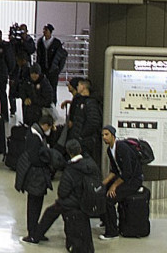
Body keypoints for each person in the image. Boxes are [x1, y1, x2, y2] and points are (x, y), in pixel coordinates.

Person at [29, 138, 101, 249]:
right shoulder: (91, 164)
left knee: (51, 212)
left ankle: (35, 236)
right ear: (80, 149)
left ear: (68, 152)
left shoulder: (70, 169)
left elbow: (63, 192)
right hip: (89, 199)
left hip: (73, 202)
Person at [15, 111, 60, 245]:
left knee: (36, 204)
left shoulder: (36, 133)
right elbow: (35, 158)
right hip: (35, 176)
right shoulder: (35, 137)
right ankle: (32, 232)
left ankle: (36, 231)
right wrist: (47, 161)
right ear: (45, 125)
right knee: (33, 205)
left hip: (36, 175)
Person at [100, 125, 144, 240]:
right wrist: (103, 184)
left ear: (113, 135)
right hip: (124, 178)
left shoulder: (122, 148)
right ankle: (106, 221)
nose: (104, 137)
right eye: (103, 135)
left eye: (106, 135)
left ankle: (112, 232)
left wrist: (114, 186)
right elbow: (114, 170)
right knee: (102, 192)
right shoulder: (110, 150)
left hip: (133, 180)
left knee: (109, 200)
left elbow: (127, 173)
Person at [67, 78, 103, 166]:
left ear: (83, 87)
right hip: (80, 139)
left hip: (86, 141)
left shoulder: (91, 103)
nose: (77, 87)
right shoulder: (80, 101)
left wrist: (82, 135)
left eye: (78, 85)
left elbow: (94, 122)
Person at [36, 24, 68, 101]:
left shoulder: (56, 43)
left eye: (46, 30)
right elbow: (38, 56)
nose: (44, 32)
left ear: (50, 32)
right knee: (42, 87)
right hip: (43, 69)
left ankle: (53, 103)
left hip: (53, 70)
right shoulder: (40, 42)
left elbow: (61, 57)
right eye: (44, 30)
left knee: (53, 88)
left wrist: (58, 69)